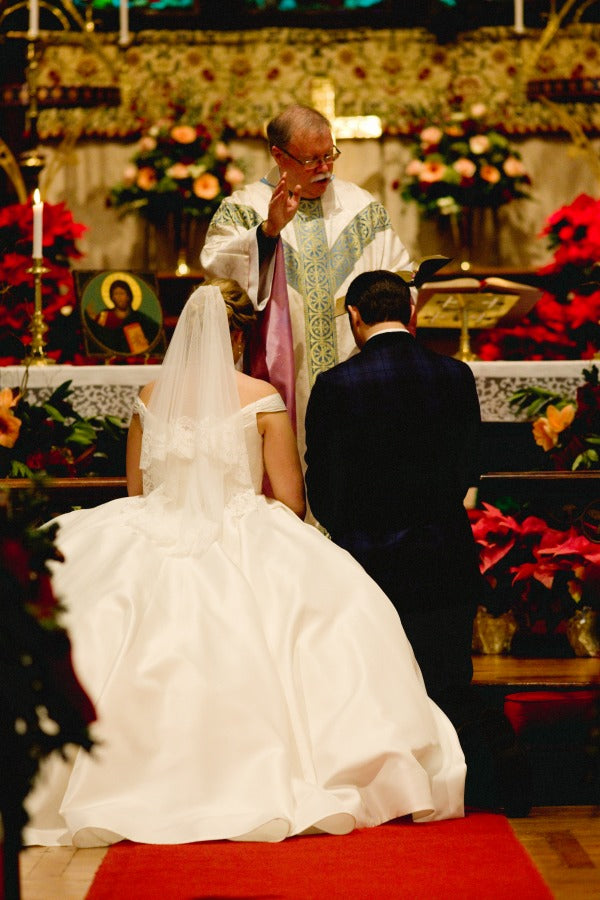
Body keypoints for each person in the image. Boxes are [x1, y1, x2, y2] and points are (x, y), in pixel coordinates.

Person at [23, 278, 465, 848]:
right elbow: (290, 498)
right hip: (244, 527)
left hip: (153, 525)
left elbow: (136, 491)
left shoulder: (149, 398)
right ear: (238, 335)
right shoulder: (261, 397)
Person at [304, 269, 532, 817]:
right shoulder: (455, 375)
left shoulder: (335, 384)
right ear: (411, 313)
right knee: (449, 676)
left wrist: (352, 532)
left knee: (376, 682)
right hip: (441, 549)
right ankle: (470, 792)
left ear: (355, 318)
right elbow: (465, 465)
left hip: (367, 559)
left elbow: (323, 481)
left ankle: (390, 797)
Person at [200, 104, 415, 459]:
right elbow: (217, 276)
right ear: (278, 155)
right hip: (275, 378)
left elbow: (401, 279)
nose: (325, 168)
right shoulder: (243, 208)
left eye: (329, 155)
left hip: (356, 375)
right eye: (312, 160)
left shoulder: (362, 208)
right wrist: (268, 232)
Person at [85, 277, 160, 355]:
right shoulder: (104, 316)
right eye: (116, 294)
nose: (119, 297)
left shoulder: (139, 317)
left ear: (128, 296)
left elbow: (155, 331)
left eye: (122, 293)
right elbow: (96, 335)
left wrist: (147, 341)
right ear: (112, 297)